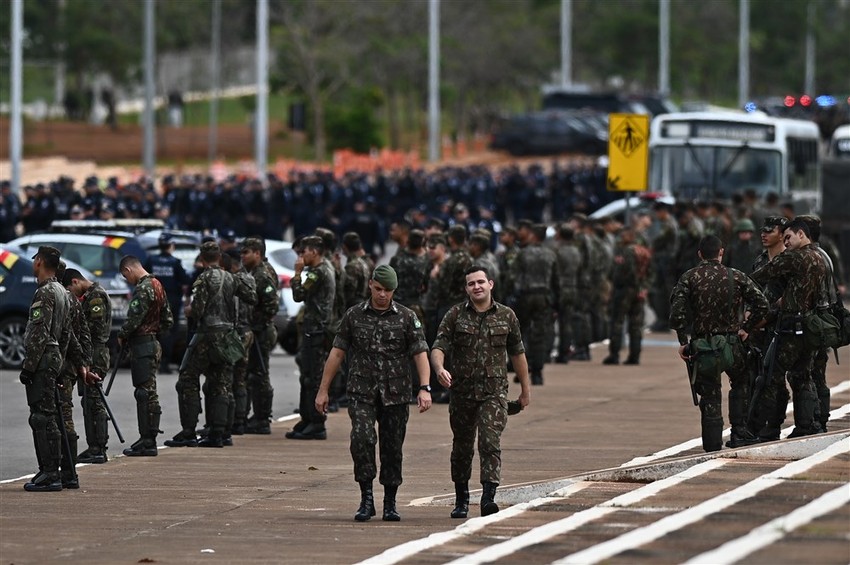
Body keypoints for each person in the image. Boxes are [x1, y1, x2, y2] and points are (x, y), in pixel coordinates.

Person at [315, 265, 432, 522]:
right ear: (370, 285)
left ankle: (390, 501)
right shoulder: (354, 316)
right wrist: (323, 390)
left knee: (392, 448)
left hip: (396, 393)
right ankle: (366, 498)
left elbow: (419, 352)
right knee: (362, 439)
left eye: (388, 291)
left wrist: (424, 387)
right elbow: (337, 353)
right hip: (362, 391)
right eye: (379, 289)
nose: (383, 295)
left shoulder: (406, 316)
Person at [431, 266, 531, 518]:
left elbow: (518, 353)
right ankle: (461, 498)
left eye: (480, 282)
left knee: (489, 441)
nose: (476, 287)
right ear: (466, 288)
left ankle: (488, 497)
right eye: (471, 284)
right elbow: (438, 346)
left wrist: (525, 391)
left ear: (490, 284)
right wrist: (440, 368)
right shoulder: (455, 315)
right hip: (462, 393)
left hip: (493, 392)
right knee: (462, 447)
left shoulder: (507, 316)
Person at [670, 235, 769, 452]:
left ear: (700, 254)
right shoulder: (736, 276)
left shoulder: (689, 277)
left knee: (710, 393)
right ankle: (739, 432)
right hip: (732, 343)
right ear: (721, 252)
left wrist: (683, 342)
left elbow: (677, 315)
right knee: (741, 383)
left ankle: (712, 442)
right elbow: (762, 304)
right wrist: (746, 328)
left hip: (704, 346)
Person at [165, 242, 256, 448]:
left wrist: (188, 310)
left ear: (203, 259)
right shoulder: (231, 278)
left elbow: (197, 310)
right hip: (227, 336)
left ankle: (189, 430)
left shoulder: (204, 278)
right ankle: (220, 433)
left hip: (207, 336)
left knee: (187, 380)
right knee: (221, 383)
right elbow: (251, 297)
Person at [20, 246, 96, 491]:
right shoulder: (63, 293)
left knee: (42, 417)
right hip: (55, 358)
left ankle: (49, 472)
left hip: (44, 358)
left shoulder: (45, 293)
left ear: (40, 262)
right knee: (52, 416)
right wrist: (75, 361)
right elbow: (69, 334)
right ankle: (60, 472)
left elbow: (38, 334)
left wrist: (29, 367)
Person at [750, 219, 829, 439]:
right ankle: (807, 426)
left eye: (789, 237)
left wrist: (735, 282)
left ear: (801, 234)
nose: (786, 242)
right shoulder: (820, 257)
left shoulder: (794, 257)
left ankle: (765, 428)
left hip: (791, 327)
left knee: (771, 376)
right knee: (802, 376)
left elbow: (763, 275)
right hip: (812, 327)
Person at [117, 255, 174, 456]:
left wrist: (123, 335)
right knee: (149, 391)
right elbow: (168, 318)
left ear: (129, 270)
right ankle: (149, 437)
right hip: (153, 342)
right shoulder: (158, 284)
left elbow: (133, 318)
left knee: (144, 393)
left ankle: (147, 440)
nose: (126, 280)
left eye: (125, 276)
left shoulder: (143, 288)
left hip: (142, 344)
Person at [287, 235, 336, 440]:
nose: (300, 256)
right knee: (306, 376)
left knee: (314, 377)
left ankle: (317, 422)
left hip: (317, 329)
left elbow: (298, 294)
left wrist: (297, 274)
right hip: (313, 328)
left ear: (314, 252)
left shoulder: (319, 272)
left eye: (303, 252)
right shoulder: (322, 269)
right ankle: (307, 418)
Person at [64, 268, 112, 465]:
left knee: (95, 401)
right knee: (89, 401)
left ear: (76, 282)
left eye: (70, 289)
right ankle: (94, 445)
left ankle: (99, 447)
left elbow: (95, 327)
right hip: (91, 351)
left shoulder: (95, 297)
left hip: (95, 352)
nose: (72, 294)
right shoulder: (91, 295)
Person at [240, 237, 279, 434]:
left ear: (257, 253)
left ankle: (262, 418)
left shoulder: (263, 274)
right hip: (256, 329)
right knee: (253, 373)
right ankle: (254, 415)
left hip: (261, 330)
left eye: (246, 252)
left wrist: (257, 324)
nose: (242, 256)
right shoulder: (254, 271)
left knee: (260, 374)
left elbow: (272, 304)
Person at [511, 223, 557, 385]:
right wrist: (555, 302)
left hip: (525, 296)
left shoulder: (523, 254)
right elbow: (555, 280)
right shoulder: (551, 255)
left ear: (533, 236)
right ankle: (538, 373)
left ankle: (522, 371)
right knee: (539, 335)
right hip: (543, 296)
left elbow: (515, 277)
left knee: (522, 334)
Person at [602, 227, 651, 365]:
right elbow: (650, 273)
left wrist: (616, 282)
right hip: (639, 291)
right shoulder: (644, 251)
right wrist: (643, 287)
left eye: (623, 236)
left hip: (624, 291)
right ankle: (635, 356)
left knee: (617, 322)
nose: (620, 238)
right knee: (636, 325)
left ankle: (614, 354)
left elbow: (624, 271)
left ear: (630, 236)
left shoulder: (627, 252)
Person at [144, 233, 191, 374]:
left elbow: (144, 277)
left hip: (153, 300)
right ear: (171, 245)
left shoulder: (151, 260)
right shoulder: (175, 262)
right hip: (171, 301)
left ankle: (153, 361)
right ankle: (164, 362)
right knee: (170, 331)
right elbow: (185, 280)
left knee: (153, 330)